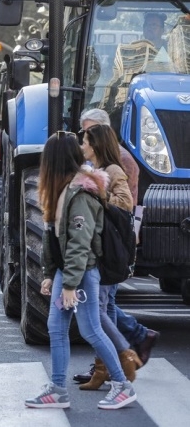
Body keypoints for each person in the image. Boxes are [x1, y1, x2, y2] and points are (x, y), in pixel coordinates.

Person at [25, 131, 137, 410]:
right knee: (56, 327)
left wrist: (70, 285)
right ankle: (59, 389)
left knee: (91, 330)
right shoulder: (63, 190)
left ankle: (122, 386)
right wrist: (51, 273)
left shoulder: (81, 192)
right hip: (70, 272)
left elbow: (80, 245)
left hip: (83, 272)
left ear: (54, 161)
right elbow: (54, 237)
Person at [73, 109, 159, 384]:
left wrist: (94, 192)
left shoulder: (116, 165)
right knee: (105, 306)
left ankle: (123, 355)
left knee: (99, 308)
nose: (83, 140)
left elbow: (125, 206)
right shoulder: (98, 165)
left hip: (112, 245)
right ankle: (108, 364)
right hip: (106, 243)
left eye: (88, 134)